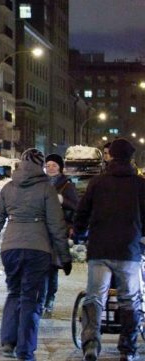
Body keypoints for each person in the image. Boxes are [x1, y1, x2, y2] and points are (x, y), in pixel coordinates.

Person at [0, 148, 71, 361]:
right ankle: (25, 350)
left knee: (14, 292)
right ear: (41, 165)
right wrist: (64, 256)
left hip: (11, 248)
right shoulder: (46, 190)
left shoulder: (8, 188)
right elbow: (56, 226)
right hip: (38, 249)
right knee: (31, 298)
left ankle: (8, 342)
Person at [74, 138, 145, 361]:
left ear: (111, 156)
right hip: (128, 251)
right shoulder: (140, 184)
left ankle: (91, 345)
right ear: (131, 158)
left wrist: (78, 233)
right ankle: (127, 349)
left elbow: (82, 212)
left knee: (95, 298)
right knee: (130, 299)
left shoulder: (98, 182)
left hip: (100, 249)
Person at [42, 153, 79, 314]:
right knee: (41, 265)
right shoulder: (40, 184)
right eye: (48, 165)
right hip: (41, 230)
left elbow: (76, 207)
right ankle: (41, 297)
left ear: (60, 168)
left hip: (58, 230)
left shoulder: (67, 186)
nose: (50, 168)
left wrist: (63, 200)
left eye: (54, 166)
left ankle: (50, 297)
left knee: (52, 267)